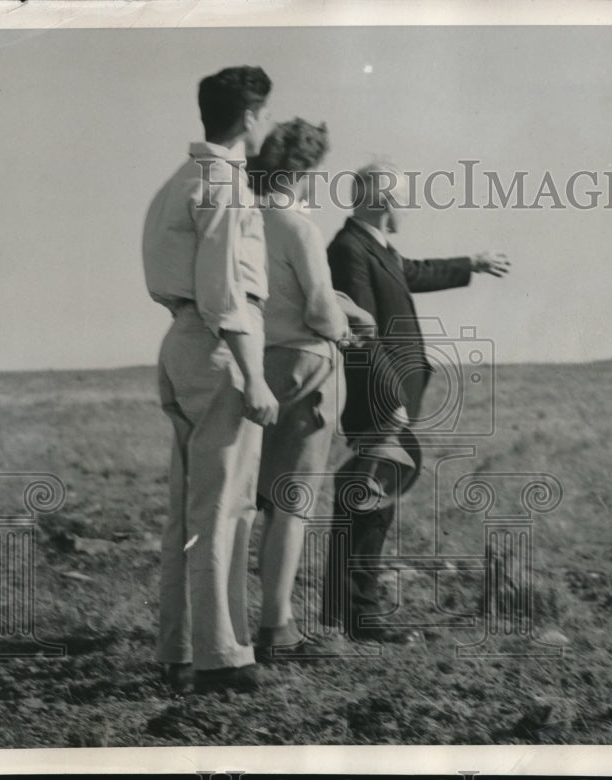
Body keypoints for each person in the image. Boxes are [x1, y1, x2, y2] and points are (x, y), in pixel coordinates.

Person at [321, 161, 510, 641]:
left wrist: (472, 263)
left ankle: (345, 612)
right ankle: (358, 615)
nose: (407, 205)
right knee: (370, 497)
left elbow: (414, 273)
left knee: (368, 494)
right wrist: (389, 397)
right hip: (380, 394)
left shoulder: (374, 247)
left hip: (392, 395)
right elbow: (362, 330)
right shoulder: (348, 248)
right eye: (402, 196)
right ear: (381, 200)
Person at [142, 66, 279, 693]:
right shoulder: (225, 182)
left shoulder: (179, 179)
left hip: (180, 340)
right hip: (220, 343)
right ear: (250, 116)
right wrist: (255, 375)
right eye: (263, 112)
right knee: (224, 506)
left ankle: (179, 652)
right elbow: (225, 291)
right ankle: (222, 658)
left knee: (188, 510)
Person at [245, 119, 375, 660]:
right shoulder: (298, 226)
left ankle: (235, 623)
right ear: (302, 170)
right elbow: (319, 311)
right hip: (307, 366)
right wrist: (349, 324)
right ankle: (278, 629)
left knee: (251, 503)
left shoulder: (245, 220)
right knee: (292, 505)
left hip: (256, 360)